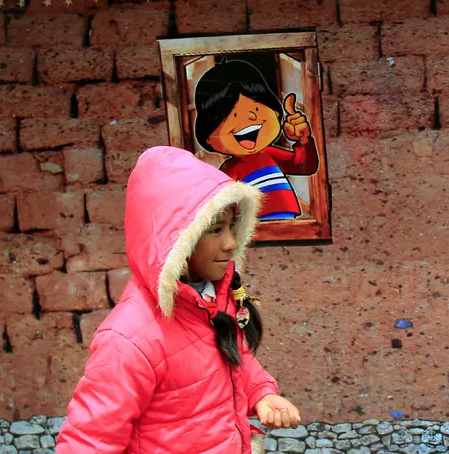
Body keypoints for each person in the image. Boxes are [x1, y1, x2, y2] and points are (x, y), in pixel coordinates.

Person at [56, 146, 300, 453]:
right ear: (176, 238)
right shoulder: (129, 339)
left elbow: (234, 356)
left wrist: (261, 393)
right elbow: (89, 440)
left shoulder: (212, 300)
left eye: (230, 227)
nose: (230, 243)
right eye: (214, 230)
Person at [194, 59, 319, 221]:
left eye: (257, 108)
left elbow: (304, 166)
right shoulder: (230, 169)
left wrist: (303, 141)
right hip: (254, 227)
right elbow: (222, 202)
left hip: (289, 221)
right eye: (234, 115)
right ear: (209, 137)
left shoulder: (269, 154)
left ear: (275, 112)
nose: (251, 117)